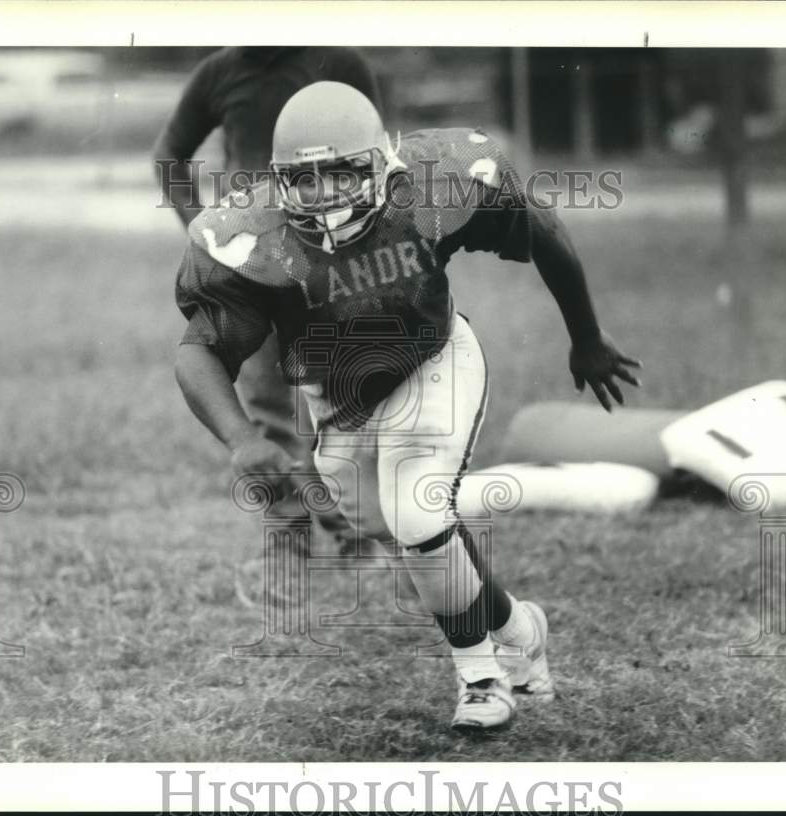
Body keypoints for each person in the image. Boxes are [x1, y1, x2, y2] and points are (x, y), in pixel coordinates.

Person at [173, 82, 641, 729]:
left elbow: (543, 230)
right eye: (305, 181)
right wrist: (240, 438)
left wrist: (587, 337)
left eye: (341, 172)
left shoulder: (436, 185)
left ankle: (482, 680)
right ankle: (520, 627)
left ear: (382, 164)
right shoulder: (251, 239)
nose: (326, 195)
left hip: (433, 359)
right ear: (278, 182)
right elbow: (198, 351)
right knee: (416, 537)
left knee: (419, 513)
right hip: (337, 401)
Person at [154, 48, 383, 607]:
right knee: (265, 404)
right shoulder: (218, 71)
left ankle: (357, 528)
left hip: (332, 251)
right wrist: (204, 231)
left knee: (346, 393)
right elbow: (170, 156)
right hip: (253, 259)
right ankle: (287, 537)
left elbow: (380, 155)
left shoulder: (337, 62)